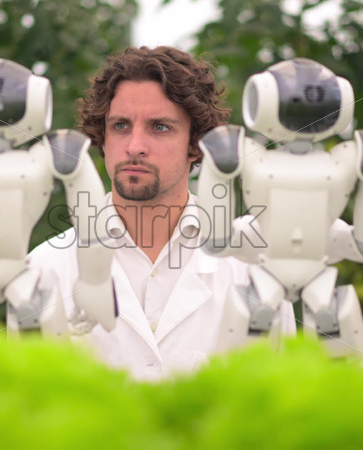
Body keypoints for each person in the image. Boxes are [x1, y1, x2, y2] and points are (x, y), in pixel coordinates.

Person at [28, 46, 296, 381]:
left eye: (160, 127)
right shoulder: (45, 268)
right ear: (103, 137)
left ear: (197, 144)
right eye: (121, 125)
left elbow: (286, 399)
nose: (135, 145)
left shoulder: (255, 268)